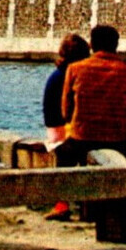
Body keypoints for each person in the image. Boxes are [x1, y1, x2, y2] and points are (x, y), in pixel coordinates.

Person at [56, 24, 126, 184]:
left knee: (63, 154)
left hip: (83, 137)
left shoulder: (74, 69)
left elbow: (66, 112)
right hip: (120, 139)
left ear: (91, 45)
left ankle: (62, 196)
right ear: (116, 45)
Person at [41, 33, 91, 220]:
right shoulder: (74, 75)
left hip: (54, 129)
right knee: (80, 148)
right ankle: (73, 205)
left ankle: (62, 206)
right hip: (65, 129)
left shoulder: (56, 75)